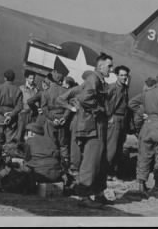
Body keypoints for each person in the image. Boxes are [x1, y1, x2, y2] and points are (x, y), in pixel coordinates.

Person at [73, 53, 113, 208]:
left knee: (101, 162)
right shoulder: (93, 79)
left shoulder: (100, 81)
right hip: (93, 127)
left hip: (100, 127)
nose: (111, 68)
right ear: (100, 66)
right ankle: (84, 197)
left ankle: (98, 193)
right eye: (109, 66)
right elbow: (84, 98)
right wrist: (99, 109)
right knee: (91, 162)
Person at [129, 74, 158, 193]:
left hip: (147, 126)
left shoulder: (147, 92)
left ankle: (141, 185)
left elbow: (132, 103)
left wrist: (142, 113)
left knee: (143, 156)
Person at [57, 71, 93, 176]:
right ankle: (74, 168)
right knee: (75, 144)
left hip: (89, 121)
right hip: (78, 120)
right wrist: (71, 108)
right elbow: (59, 99)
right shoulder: (77, 90)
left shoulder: (94, 91)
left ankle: (83, 167)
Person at [41, 70, 70, 170]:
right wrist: (64, 118)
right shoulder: (66, 92)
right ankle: (65, 168)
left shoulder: (46, 92)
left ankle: (50, 166)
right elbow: (69, 107)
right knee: (63, 145)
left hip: (51, 121)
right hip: (63, 121)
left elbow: (44, 109)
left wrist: (53, 118)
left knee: (50, 144)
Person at [105, 65, 130, 180]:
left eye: (125, 75)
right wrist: (109, 117)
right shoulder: (112, 88)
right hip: (114, 119)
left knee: (119, 147)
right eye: (121, 75)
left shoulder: (125, 89)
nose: (124, 77)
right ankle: (105, 172)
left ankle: (111, 171)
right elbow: (105, 103)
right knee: (111, 148)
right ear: (116, 76)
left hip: (122, 121)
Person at [0, 69, 23, 145]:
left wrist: (3, 112)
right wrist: (11, 115)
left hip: (0, 115)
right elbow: (19, 106)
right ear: (13, 78)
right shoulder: (18, 90)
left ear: (4, 78)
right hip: (12, 117)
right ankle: (8, 156)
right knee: (10, 140)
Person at [18, 70, 38, 142]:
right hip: (23, 114)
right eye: (30, 78)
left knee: (30, 135)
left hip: (32, 115)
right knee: (20, 133)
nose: (32, 80)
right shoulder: (21, 88)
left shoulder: (36, 90)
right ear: (26, 78)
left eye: (33, 78)